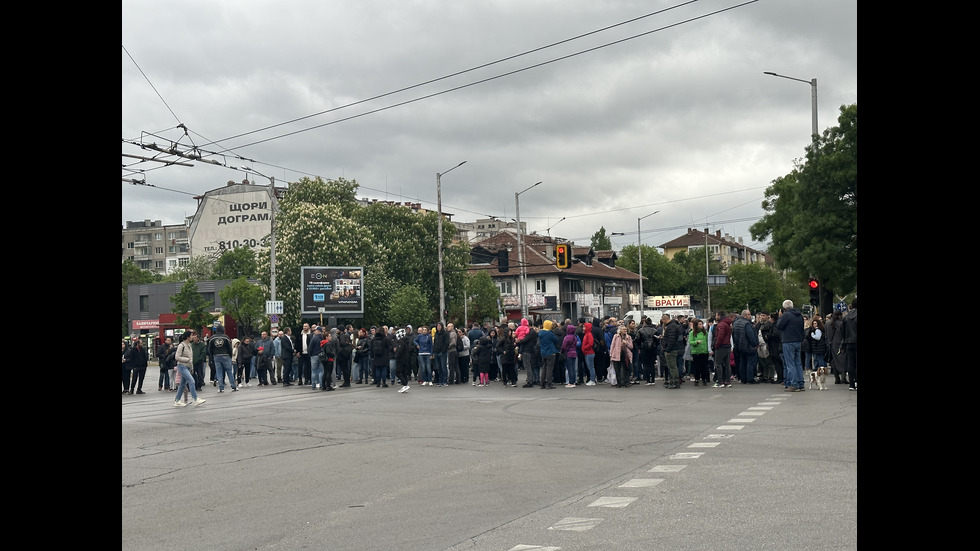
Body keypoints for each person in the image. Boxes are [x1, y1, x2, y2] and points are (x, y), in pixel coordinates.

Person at [776, 299, 806, 392]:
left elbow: (779, 326)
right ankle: (801, 382)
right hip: (798, 340)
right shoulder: (799, 315)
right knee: (798, 362)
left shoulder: (786, 315)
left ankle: (794, 384)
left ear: (784, 308)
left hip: (788, 340)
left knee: (790, 364)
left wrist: (780, 317)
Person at [173, 332, 205, 407]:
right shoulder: (181, 345)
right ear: (187, 337)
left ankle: (177, 400)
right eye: (191, 335)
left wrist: (191, 367)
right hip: (182, 366)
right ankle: (195, 398)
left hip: (187, 367)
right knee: (192, 381)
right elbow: (177, 357)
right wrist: (186, 360)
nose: (192, 337)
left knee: (182, 385)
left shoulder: (189, 345)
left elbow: (191, 358)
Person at [208, 325, 237, 392]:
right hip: (225, 355)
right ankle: (233, 386)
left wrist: (212, 356)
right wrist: (230, 355)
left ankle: (221, 388)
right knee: (229, 372)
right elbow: (229, 348)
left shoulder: (212, 338)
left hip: (216, 356)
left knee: (219, 372)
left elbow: (210, 349)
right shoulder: (226, 337)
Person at [737, 311, 760, 384]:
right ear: (744, 315)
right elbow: (751, 336)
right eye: (749, 314)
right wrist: (755, 344)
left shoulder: (736, 323)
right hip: (748, 346)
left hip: (740, 346)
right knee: (751, 362)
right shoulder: (747, 324)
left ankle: (743, 378)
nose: (750, 316)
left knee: (742, 363)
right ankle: (750, 378)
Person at [712, 312, 733, 389]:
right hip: (727, 345)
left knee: (718, 364)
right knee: (727, 364)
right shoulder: (728, 324)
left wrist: (716, 345)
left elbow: (720, 337)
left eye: (717, 315)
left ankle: (720, 381)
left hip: (721, 346)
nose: (715, 316)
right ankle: (728, 381)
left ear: (720, 316)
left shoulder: (721, 324)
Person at [660, 314, 682, 389]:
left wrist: (668, 349)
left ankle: (675, 382)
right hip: (672, 348)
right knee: (672, 366)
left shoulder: (671, 327)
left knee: (672, 366)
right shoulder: (673, 325)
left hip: (671, 350)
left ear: (664, 320)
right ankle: (673, 381)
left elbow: (671, 339)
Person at [537, 320, 560, 389]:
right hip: (550, 352)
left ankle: (542, 383)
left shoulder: (540, 333)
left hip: (543, 352)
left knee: (544, 368)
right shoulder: (549, 333)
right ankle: (549, 384)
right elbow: (556, 340)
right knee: (550, 368)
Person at [826, 310, 847, 384]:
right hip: (840, 344)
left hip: (831, 344)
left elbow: (826, 335)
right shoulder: (841, 324)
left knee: (834, 362)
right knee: (842, 361)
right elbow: (844, 334)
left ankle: (837, 378)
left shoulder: (828, 324)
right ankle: (843, 378)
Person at [637, 317, 660, 386]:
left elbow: (637, 339)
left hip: (644, 348)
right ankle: (653, 380)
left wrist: (640, 346)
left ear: (644, 323)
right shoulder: (654, 330)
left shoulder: (640, 330)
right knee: (651, 364)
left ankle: (647, 380)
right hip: (652, 349)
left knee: (645, 364)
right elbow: (657, 340)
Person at [609, 323, 633, 388]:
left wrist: (626, 343)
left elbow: (631, 346)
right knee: (617, 369)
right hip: (617, 354)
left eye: (625, 330)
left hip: (625, 354)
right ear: (620, 330)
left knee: (626, 368)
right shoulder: (616, 336)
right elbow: (612, 345)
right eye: (623, 330)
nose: (625, 331)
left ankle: (626, 382)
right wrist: (611, 354)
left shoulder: (628, 337)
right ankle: (619, 383)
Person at [689, 319, 710, 386]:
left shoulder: (705, 332)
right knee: (697, 367)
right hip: (696, 352)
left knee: (704, 367)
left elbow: (708, 341)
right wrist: (696, 342)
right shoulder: (692, 333)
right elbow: (690, 341)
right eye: (699, 324)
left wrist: (708, 350)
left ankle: (704, 379)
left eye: (702, 324)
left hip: (704, 352)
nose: (701, 326)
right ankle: (697, 379)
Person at [842, 298, 857, 390]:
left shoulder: (846, 317)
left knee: (850, 363)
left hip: (848, 342)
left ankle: (851, 383)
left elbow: (842, 331)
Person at [394, 326, 413, 393]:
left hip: (401, 360)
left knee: (398, 372)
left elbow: (399, 351)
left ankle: (405, 384)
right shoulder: (405, 341)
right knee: (404, 373)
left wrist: (396, 356)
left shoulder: (401, 342)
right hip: (405, 359)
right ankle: (405, 385)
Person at [561, 323, 579, 388]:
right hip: (574, 353)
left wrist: (562, 351)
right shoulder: (575, 337)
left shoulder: (567, 337)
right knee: (574, 368)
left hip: (568, 353)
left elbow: (564, 346)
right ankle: (574, 381)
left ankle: (571, 382)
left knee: (569, 368)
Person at [432, 322, 449, 387]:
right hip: (436, 352)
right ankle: (440, 380)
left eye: (439, 326)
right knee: (438, 367)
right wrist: (434, 351)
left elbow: (446, 343)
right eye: (437, 326)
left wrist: (443, 351)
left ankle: (444, 381)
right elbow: (435, 342)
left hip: (442, 352)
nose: (438, 327)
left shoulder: (445, 333)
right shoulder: (436, 334)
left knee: (443, 367)